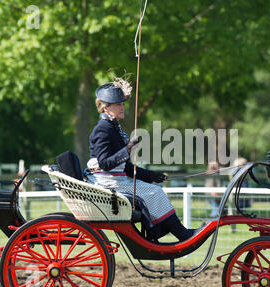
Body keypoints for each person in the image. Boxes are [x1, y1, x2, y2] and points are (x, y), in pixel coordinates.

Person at [84, 79, 196, 242]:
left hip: (117, 179)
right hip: (108, 183)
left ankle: (166, 234)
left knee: (154, 187)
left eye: (123, 104)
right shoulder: (103, 129)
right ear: (106, 107)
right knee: (155, 193)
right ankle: (181, 234)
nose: (122, 108)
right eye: (118, 105)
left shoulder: (114, 127)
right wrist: (127, 149)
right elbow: (105, 163)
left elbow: (125, 168)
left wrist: (152, 176)